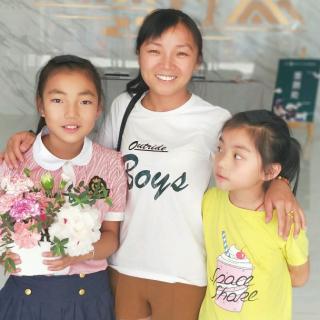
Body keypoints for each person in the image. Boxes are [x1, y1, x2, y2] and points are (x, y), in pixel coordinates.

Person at [0, 9, 305, 320]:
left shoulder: (214, 120)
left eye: (181, 53)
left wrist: (281, 184)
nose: (167, 65)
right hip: (121, 265)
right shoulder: (123, 108)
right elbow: (86, 163)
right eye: (154, 51)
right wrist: (33, 138)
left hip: (183, 272)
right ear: (139, 55)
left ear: (197, 60)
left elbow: (257, 158)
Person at [0, 55, 127, 320]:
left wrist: (77, 255)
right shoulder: (15, 161)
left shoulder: (111, 164)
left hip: (88, 300)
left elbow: (111, 238)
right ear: (41, 106)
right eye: (58, 100)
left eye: (85, 101)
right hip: (25, 299)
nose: (71, 113)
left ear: (98, 108)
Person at [199, 110, 309, 320]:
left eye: (238, 156)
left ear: (269, 172)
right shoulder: (209, 201)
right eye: (220, 148)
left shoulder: (285, 219)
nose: (221, 161)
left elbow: (299, 277)